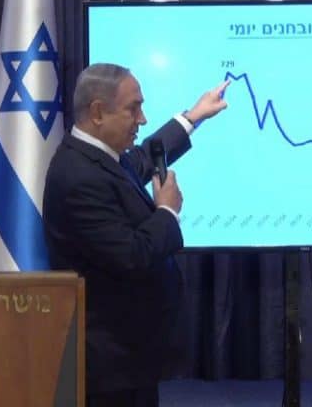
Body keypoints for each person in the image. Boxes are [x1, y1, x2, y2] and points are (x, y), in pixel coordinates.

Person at [42, 63, 229, 407]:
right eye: (133, 108)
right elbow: (132, 256)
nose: (142, 119)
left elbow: (142, 159)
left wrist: (193, 116)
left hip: (128, 359)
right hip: (108, 367)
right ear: (98, 112)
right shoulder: (78, 177)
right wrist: (167, 212)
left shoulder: (99, 156)